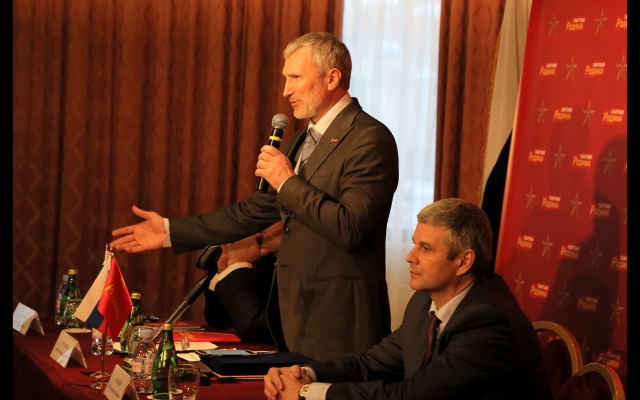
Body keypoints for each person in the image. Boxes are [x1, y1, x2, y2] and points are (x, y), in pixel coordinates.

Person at [109, 32, 399, 361]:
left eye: (295, 77)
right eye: (285, 78)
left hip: (339, 321)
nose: (286, 90)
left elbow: (351, 227)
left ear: (332, 78)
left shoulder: (368, 138)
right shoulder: (301, 140)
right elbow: (253, 212)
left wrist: (286, 180)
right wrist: (170, 230)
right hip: (292, 317)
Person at [263, 198, 553, 400]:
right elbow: (371, 363)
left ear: (464, 262)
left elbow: (413, 396)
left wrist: (306, 393)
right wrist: (305, 374)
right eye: (414, 244)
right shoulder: (424, 302)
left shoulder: (488, 322)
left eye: (426, 248)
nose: (409, 257)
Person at [204, 221, 286, 350]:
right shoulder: (262, 258)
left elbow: (256, 330)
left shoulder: (306, 266)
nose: (257, 223)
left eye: (270, 215)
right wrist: (226, 267)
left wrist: (238, 263)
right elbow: (219, 319)